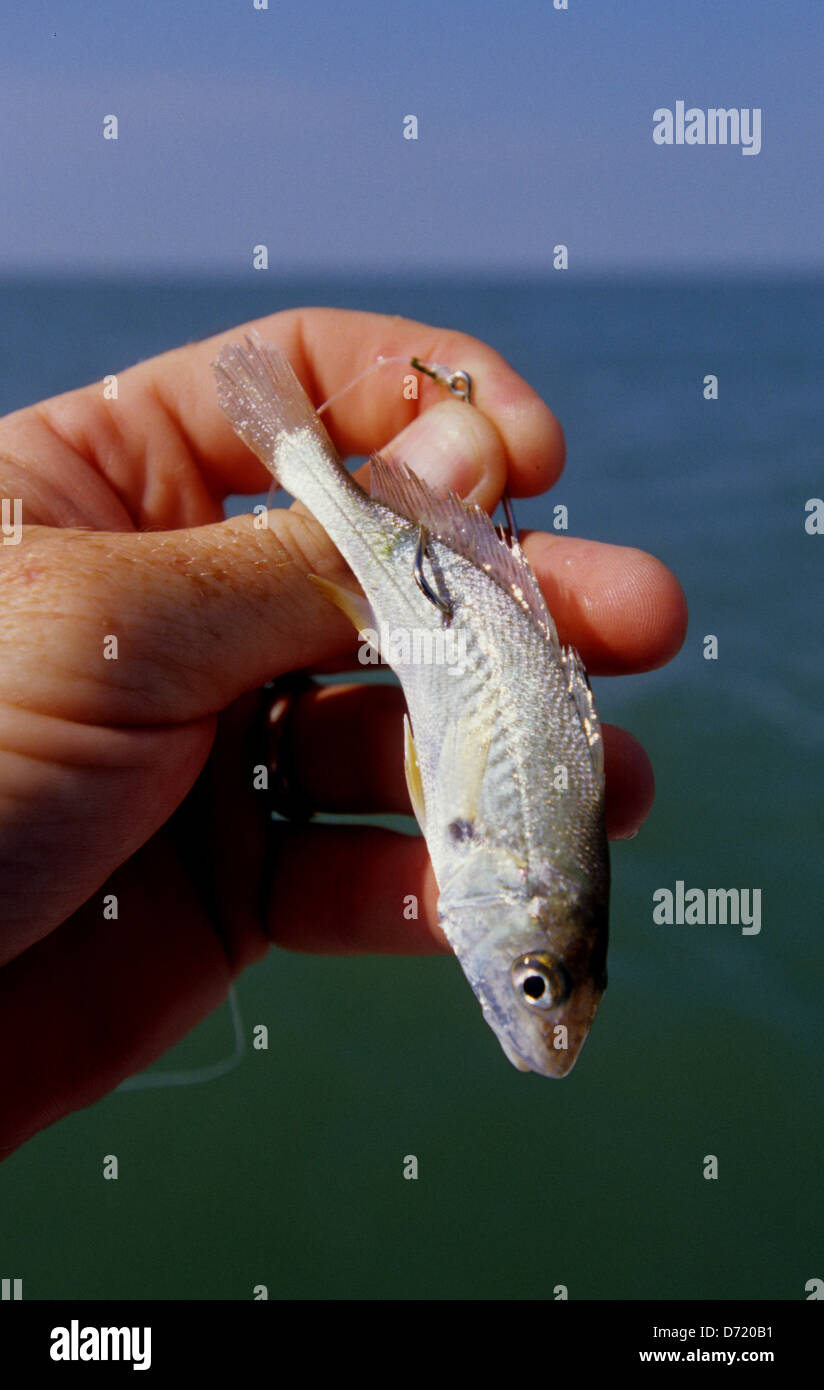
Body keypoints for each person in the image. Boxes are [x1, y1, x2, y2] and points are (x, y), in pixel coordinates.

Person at [0, 308, 686, 1157]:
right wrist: (331, 526)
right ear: (524, 895)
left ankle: (313, 468)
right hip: (424, 593)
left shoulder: (502, 858)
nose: (524, 1007)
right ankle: (312, 470)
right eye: (532, 981)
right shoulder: (490, 850)